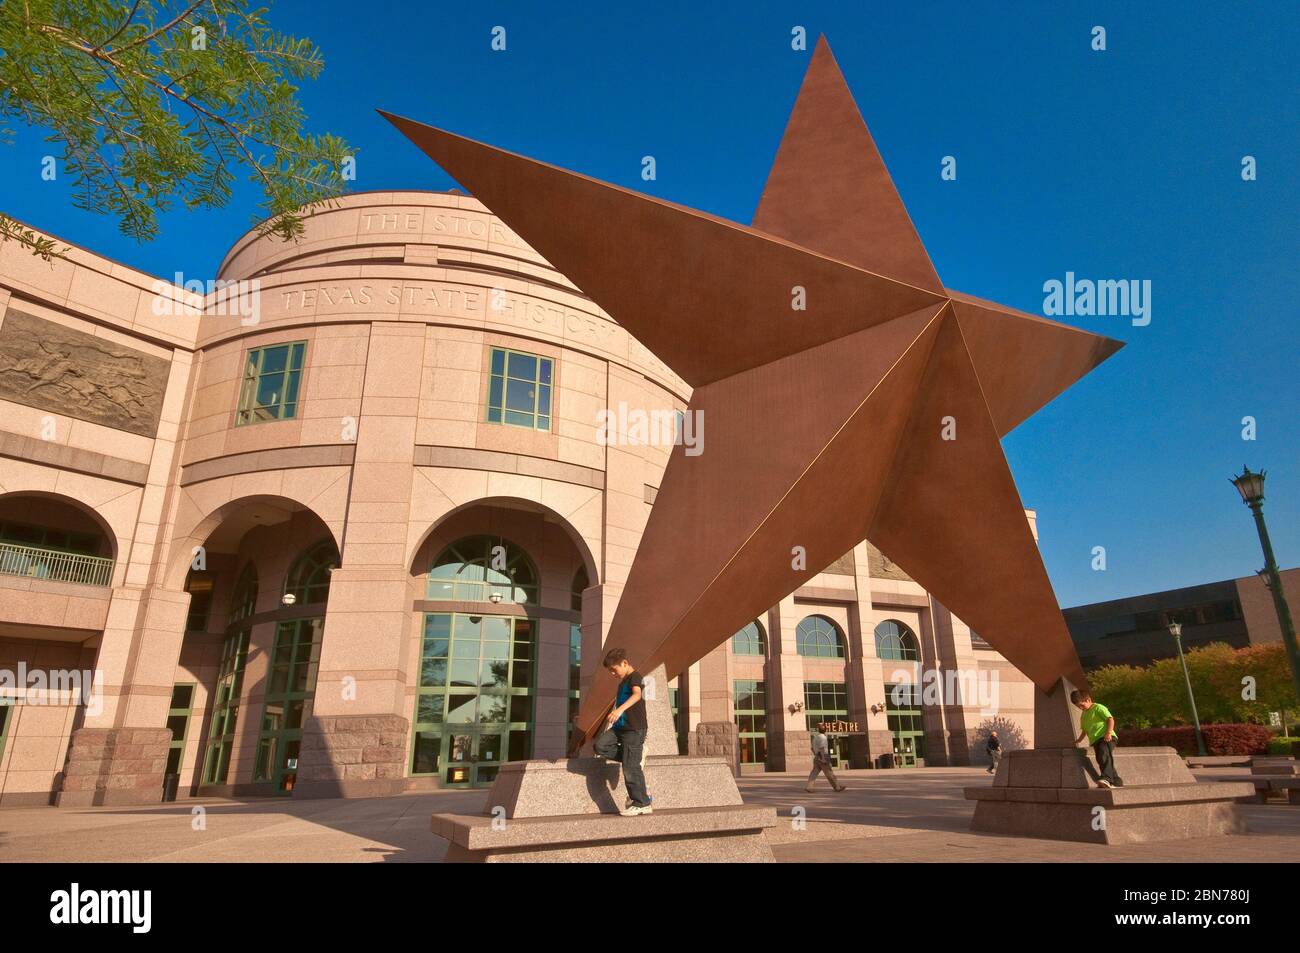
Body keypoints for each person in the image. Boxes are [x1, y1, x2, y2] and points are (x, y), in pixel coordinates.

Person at [593, 647, 652, 816]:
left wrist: (619, 710)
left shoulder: (635, 677)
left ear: (624, 663)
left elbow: (637, 695)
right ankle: (635, 755)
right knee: (600, 746)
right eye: (610, 671)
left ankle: (641, 803)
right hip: (620, 727)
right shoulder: (622, 682)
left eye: (614, 669)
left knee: (630, 767)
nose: (612, 673)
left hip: (634, 728)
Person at [1071, 689, 1124, 788]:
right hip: (1095, 740)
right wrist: (1078, 740)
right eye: (1078, 706)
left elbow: (1110, 719)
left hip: (1107, 737)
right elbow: (1085, 730)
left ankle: (1106, 778)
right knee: (1101, 759)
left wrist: (1108, 733)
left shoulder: (1098, 707)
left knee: (1104, 755)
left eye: (1082, 705)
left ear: (1088, 700)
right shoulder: (1084, 715)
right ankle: (1116, 781)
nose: (1081, 708)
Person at [806, 727, 846, 793]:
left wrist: (816, 755)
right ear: (825, 731)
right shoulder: (823, 738)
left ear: (819, 730)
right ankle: (837, 787)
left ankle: (809, 787)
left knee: (814, 773)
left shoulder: (815, 737)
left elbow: (812, 748)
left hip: (816, 757)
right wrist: (823, 758)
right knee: (829, 773)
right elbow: (822, 748)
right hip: (823, 756)